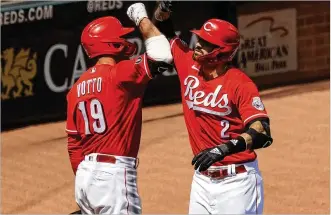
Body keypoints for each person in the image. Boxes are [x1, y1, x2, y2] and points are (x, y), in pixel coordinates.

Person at [145, 1, 272, 214]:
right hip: (202, 182)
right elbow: (164, 31)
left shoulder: (239, 83)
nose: (197, 43)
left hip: (238, 183)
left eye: (206, 42)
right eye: (200, 38)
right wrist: (162, 10)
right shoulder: (188, 64)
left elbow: (262, 132)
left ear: (221, 53)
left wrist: (223, 150)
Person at [65, 11, 172, 214]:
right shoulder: (120, 74)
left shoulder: (75, 89)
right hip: (114, 176)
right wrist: (141, 16)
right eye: (121, 37)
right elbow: (163, 55)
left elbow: (74, 145)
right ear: (111, 43)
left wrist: (89, 182)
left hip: (84, 177)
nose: (126, 41)